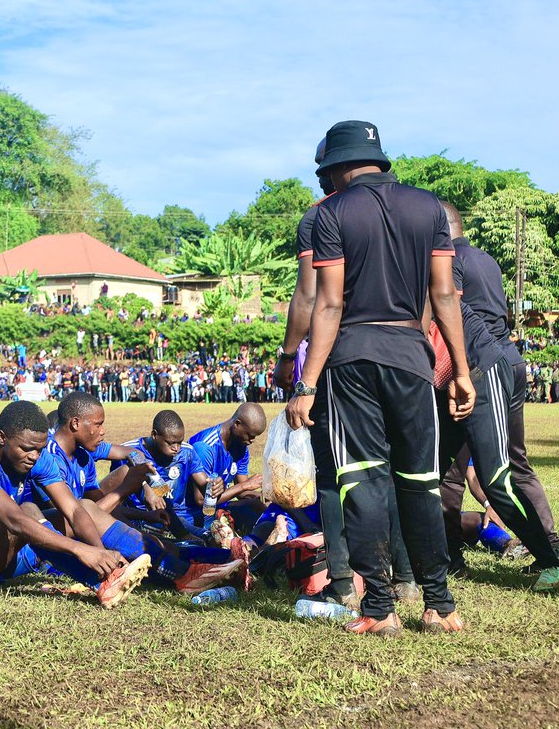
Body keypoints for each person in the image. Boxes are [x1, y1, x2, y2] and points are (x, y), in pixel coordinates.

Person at [287, 120, 475, 636]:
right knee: (419, 480)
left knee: (362, 479)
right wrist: (459, 370)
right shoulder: (429, 208)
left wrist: (306, 383)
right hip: (412, 359)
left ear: (338, 168)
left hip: (351, 361)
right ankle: (438, 604)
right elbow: (443, 296)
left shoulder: (331, 214)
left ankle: (380, 610)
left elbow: (328, 301)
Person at [273, 136, 419, 610]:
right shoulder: (409, 207)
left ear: (327, 171)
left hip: (340, 358)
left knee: (336, 469)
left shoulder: (321, 216)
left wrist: (288, 356)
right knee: (396, 466)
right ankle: (407, 578)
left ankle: (341, 581)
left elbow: (310, 297)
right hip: (404, 353)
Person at [438, 203, 559, 589]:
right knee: (463, 464)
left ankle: (551, 558)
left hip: (481, 367)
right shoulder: (486, 259)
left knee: (496, 475)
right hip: (498, 362)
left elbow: (455, 318)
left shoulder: (449, 262)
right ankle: (452, 553)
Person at [0, 400, 152, 608]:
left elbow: (73, 509)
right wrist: (80, 549)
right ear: (2, 438)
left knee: (84, 507)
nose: (34, 457)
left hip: (3, 557)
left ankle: (115, 576)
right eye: (27, 449)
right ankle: (100, 582)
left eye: (39, 449)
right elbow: (13, 521)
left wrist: (99, 552)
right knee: (26, 512)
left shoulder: (38, 455)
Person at [30, 393, 246, 594]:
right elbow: (77, 515)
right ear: (75, 423)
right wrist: (126, 489)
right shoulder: (48, 458)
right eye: (98, 424)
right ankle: (183, 574)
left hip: (86, 525)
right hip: (52, 541)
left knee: (158, 542)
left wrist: (145, 490)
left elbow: (129, 455)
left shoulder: (82, 452)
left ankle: (228, 559)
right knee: (137, 545)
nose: (103, 430)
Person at [187, 403, 267, 532]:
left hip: (218, 506)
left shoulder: (241, 447)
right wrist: (244, 486)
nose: (253, 440)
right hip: (193, 512)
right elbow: (202, 501)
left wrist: (267, 497)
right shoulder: (205, 447)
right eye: (250, 435)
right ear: (237, 424)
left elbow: (242, 493)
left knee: (263, 513)